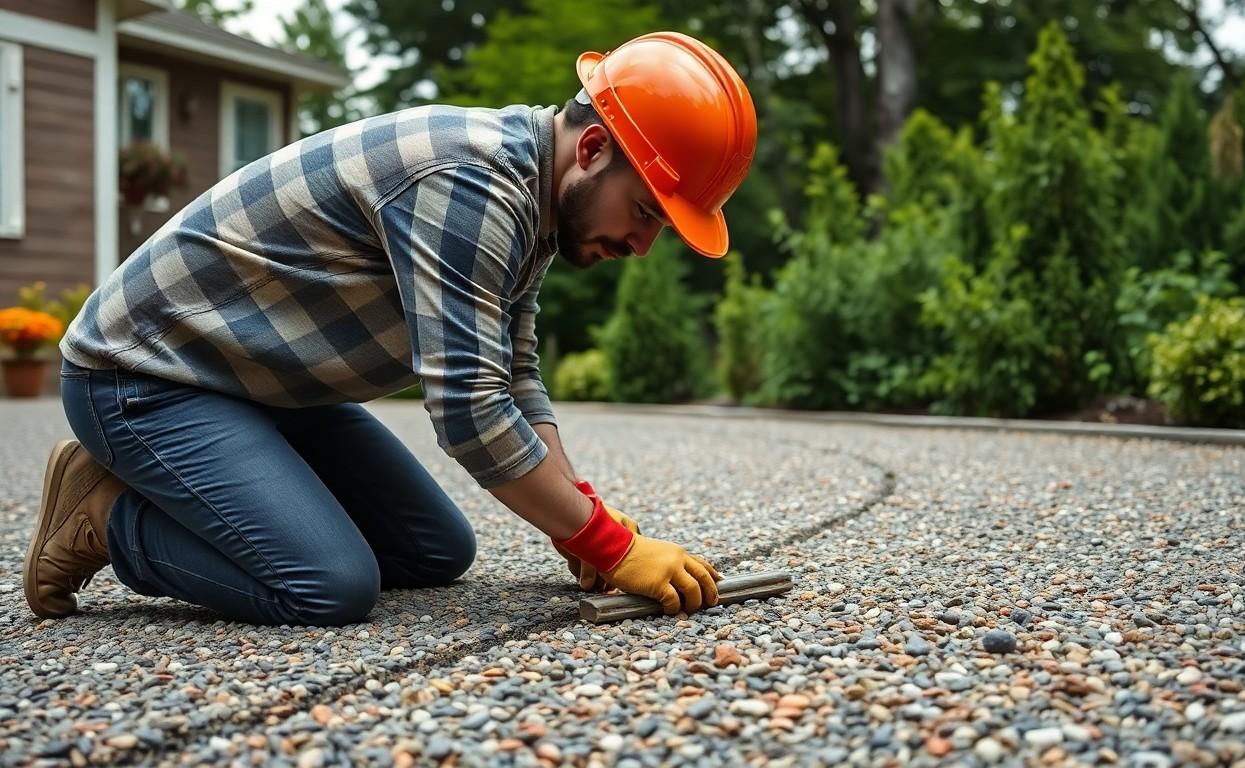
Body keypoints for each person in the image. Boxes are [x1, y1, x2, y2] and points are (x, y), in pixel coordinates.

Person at [23, 31, 757, 626]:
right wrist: (607, 540)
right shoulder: (472, 184)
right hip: (143, 377)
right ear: (593, 149)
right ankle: (107, 516)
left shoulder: (534, 198)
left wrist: (586, 518)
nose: (641, 247)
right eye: (646, 214)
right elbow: (470, 410)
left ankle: (228, 489)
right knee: (327, 585)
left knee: (432, 550)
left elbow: (515, 369)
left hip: (257, 384)